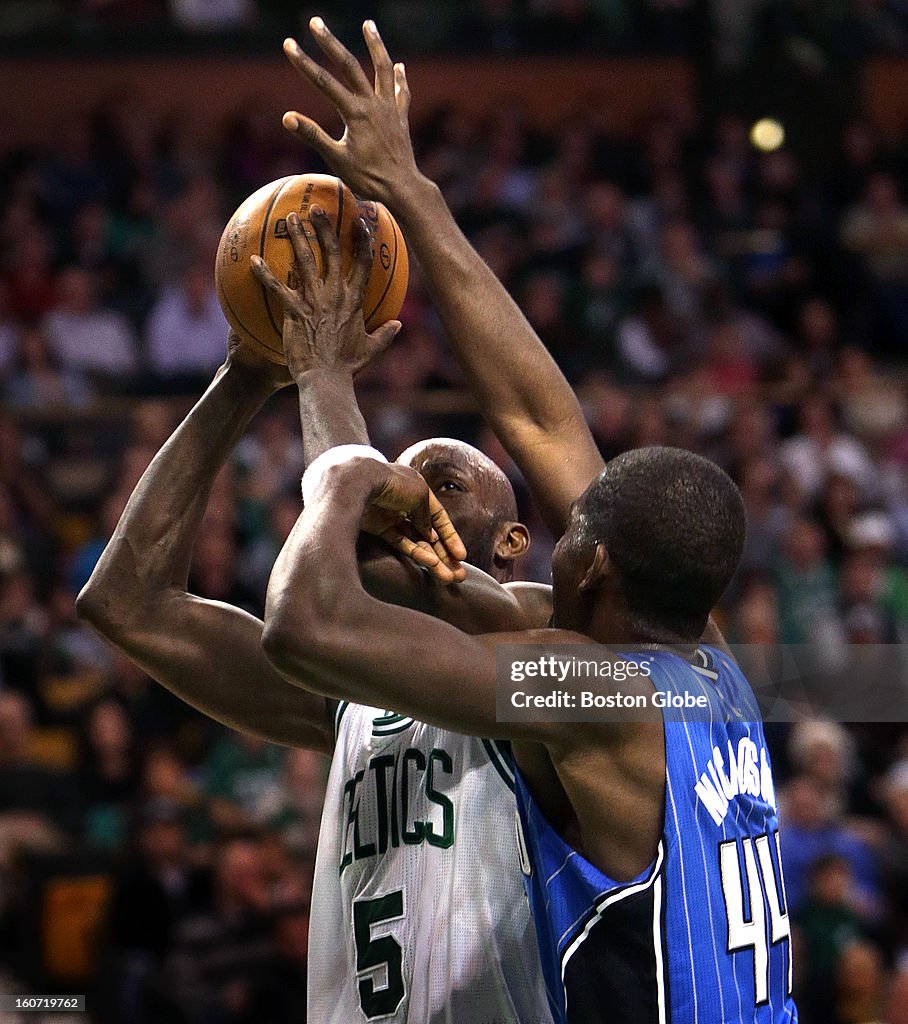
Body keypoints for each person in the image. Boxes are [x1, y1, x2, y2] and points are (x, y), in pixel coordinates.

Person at [264, 18, 798, 1022]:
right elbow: (543, 420)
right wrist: (410, 192)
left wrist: (335, 431)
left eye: (569, 531)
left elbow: (306, 627)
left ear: (588, 568)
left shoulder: (588, 691)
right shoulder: (712, 668)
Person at [76, 214, 553, 1023]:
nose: (402, 498)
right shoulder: (346, 699)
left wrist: (323, 373)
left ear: (511, 539)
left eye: (440, 484)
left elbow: (366, 568)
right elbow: (125, 602)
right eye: (391, 486)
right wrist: (246, 376)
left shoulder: (542, 640)